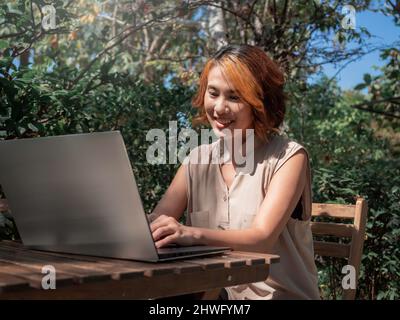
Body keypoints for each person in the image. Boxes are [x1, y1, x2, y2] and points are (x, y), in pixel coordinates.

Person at [149, 44, 320, 300]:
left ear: (260, 102)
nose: (218, 108)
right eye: (213, 93)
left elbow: (261, 238)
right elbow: (158, 222)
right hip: (215, 294)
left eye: (234, 97)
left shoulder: (288, 157)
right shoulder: (197, 159)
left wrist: (189, 233)